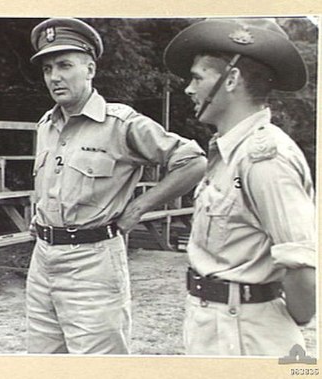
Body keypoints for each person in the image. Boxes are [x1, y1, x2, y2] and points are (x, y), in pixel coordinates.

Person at [26, 17, 207, 354]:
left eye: (65, 65)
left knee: (99, 365)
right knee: (43, 362)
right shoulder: (45, 125)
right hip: (43, 259)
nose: (54, 77)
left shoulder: (120, 123)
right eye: (48, 68)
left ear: (90, 68)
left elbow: (193, 161)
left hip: (93, 261)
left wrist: (138, 208)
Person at [164, 18, 316, 356]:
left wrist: (262, 314)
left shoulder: (265, 158)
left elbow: (301, 267)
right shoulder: (229, 152)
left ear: (231, 79)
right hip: (213, 324)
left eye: (198, 77)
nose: (189, 89)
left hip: (245, 335)